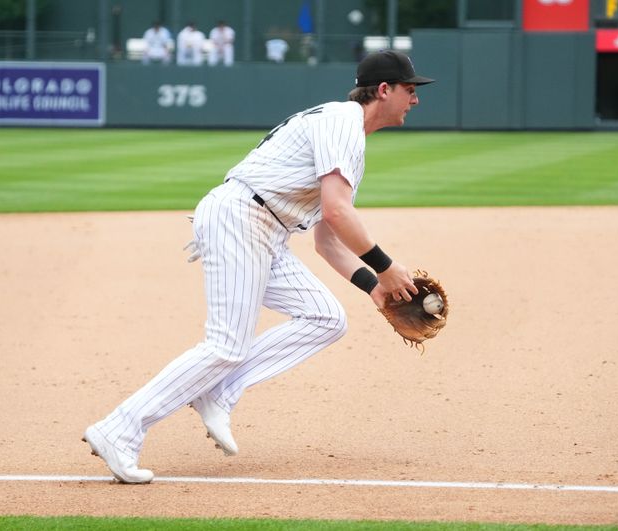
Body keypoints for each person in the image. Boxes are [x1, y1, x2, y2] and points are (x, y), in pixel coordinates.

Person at [83, 50, 435, 484]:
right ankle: (120, 428)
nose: (415, 99)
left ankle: (220, 390)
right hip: (243, 217)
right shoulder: (343, 122)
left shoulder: (350, 141)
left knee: (325, 318)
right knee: (226, 345)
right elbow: (338, 212)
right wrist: (386, 266)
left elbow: (327, 239)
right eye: (410, 89)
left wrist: (372, 286)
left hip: (264, 228)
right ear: (384, 90)